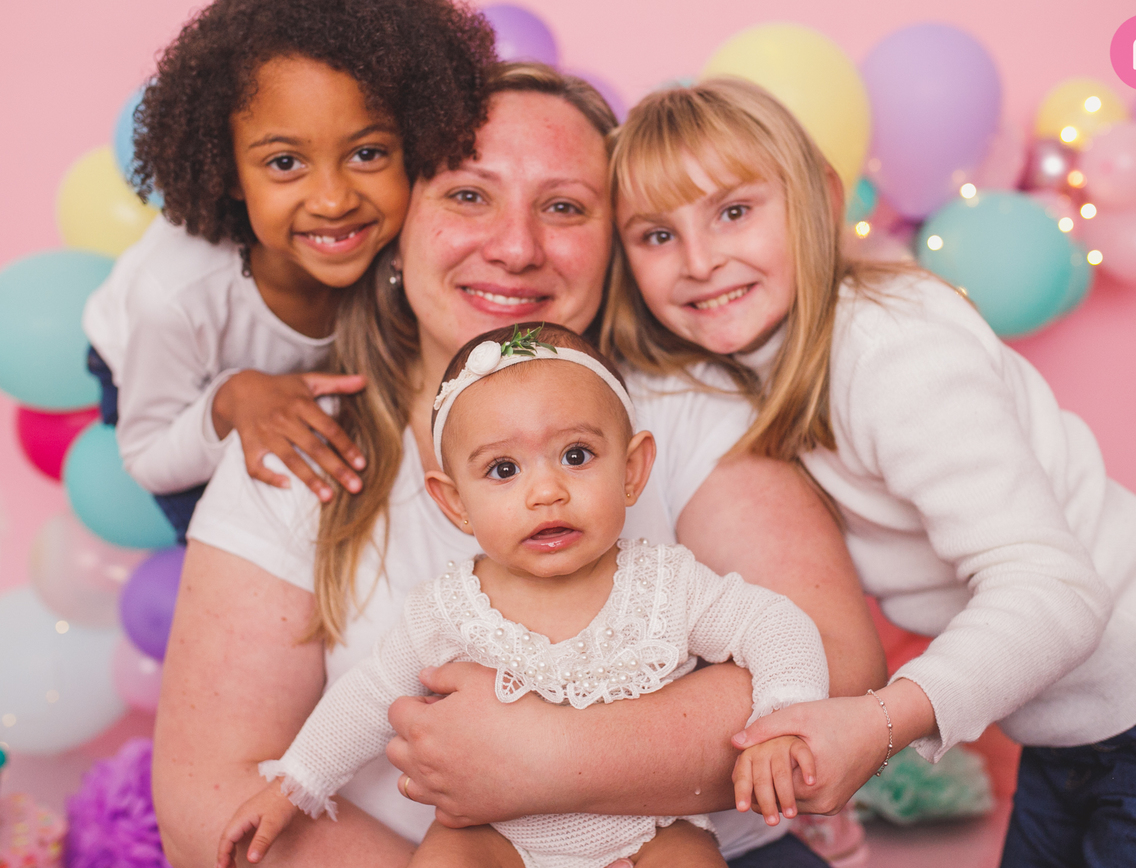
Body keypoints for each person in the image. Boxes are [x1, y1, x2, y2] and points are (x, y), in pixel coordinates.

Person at [154, 64, 885, 868]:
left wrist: (549, 759)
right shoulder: (299, 450)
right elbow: (207, 795)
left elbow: (837, 665)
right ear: (399, 227)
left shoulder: (687, 412)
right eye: (469, 195)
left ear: (613, 246)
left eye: (565, 207)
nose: (515, 247)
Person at [605, 77, 1136, 866]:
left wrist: (879, 724)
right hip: (1072, 723)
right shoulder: (753, 365)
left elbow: (1056, 590)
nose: (701, 261)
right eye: (655, 236)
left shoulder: (890, 350)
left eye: (734, 212)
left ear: (817, 199)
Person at [216, 323, 831, 868]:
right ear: (455, 501)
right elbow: (373, 692)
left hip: (647, 829)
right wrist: (295, 783)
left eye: (576, 455)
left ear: (633, 469)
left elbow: (775, 624)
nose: (546, 492)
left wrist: (782, 718)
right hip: (493, 837)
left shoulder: (666, 585)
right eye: (503, 470)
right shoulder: (449, 608)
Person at [82, 0, 493, 541]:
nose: (332, 200)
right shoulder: (171, 299)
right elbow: (146, 455)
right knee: (237, 528)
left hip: (294, 358)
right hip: (164, 373)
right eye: (284, 163)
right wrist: (232, 399)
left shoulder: (409, 240)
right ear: (229, 172)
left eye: (367, 153)